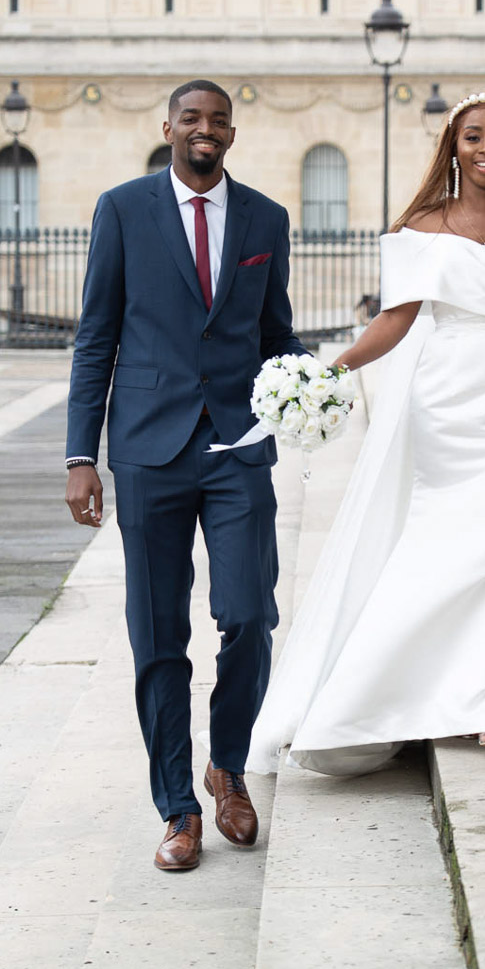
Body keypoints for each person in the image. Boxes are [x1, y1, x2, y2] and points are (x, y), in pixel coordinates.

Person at [247, 91, 485, 777]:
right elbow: (395, 323)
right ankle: (404, 684)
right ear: (453, 148)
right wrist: (325, 371)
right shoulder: (423, 225)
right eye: (472, 138)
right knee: (445, 543)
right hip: (447, 397)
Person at [64, 79, 307, 869]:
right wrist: (80, 456)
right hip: (145, 451)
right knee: (159, 632)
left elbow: (277, 333)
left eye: (219, 119)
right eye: (192, 118)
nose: (206, 129)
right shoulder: (122, 209)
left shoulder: (267, 218)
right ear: (168, 127)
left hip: (238, 446)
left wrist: (312, 388)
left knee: (248, 615)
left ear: (232, 133)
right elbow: (95, 337)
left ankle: (226, 769)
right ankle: (177, 808)